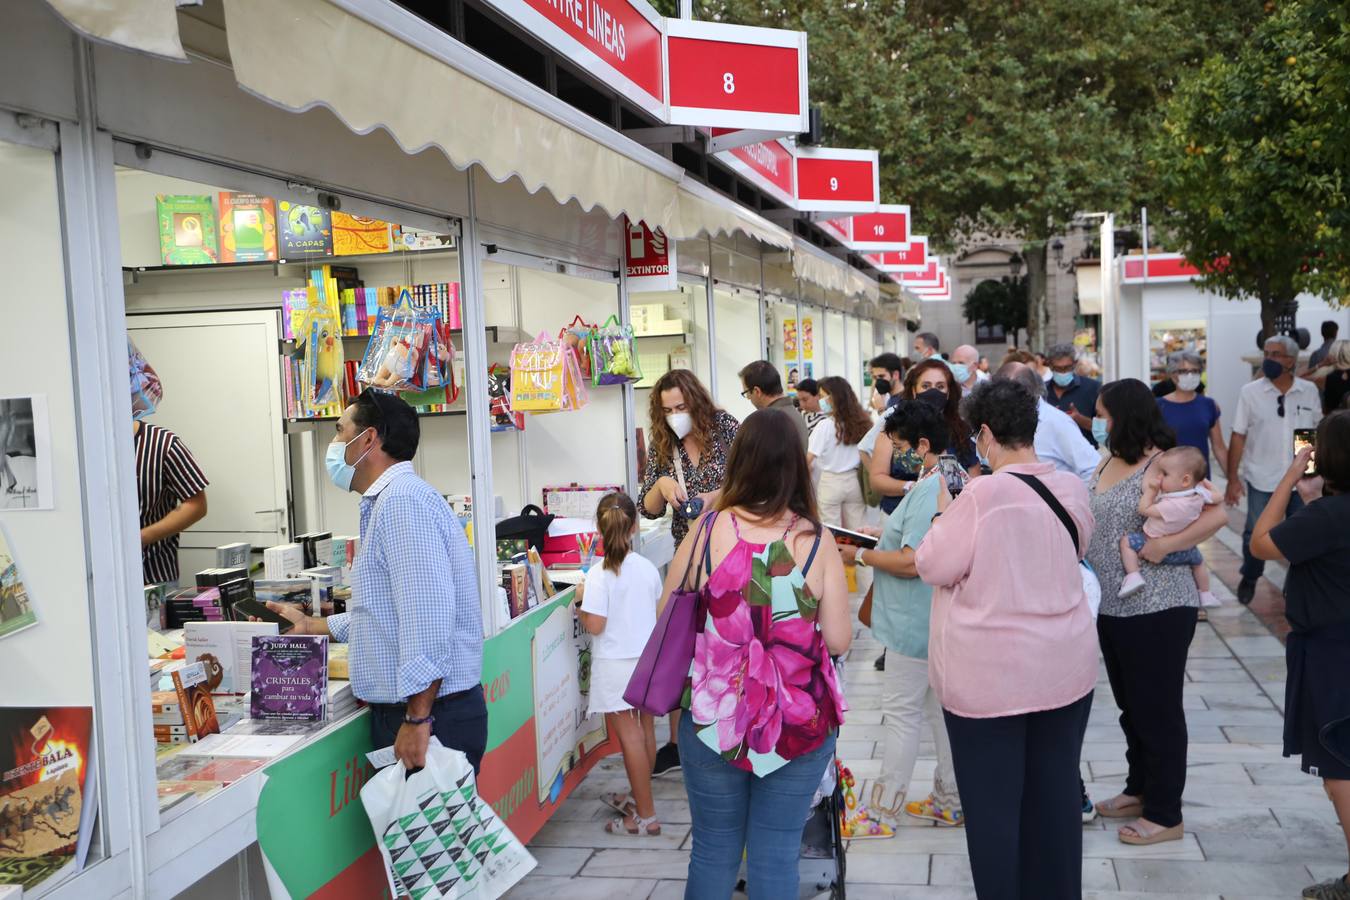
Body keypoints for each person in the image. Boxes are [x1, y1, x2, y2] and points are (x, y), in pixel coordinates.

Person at [915, 379, 1097, 899]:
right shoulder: (1070, 487)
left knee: (995, 813)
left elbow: (932, 563)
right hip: (1064, 669)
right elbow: (1077, 543)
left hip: (989, 681)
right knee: (1055, 800)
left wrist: (942, 516)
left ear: (987, 434)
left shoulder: (983, 495)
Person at [667, 408, 850, 899]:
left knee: (712, 848)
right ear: (796, 464)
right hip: (796, 722)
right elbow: (838, 640)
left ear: (738, 461)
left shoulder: (706, 531)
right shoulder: (816, 540)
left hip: (711, 718)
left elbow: (667, 613)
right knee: (775, 854)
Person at [268, 390, 486, 770]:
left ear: (368, 438)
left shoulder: (402, 502)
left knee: (429, 831)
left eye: (340, 432)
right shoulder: (390, 500)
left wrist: (418, 719)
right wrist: (311, 625)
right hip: (427, 712)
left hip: (431, 717)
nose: (334, 445)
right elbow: (388, 612)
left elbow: (427, 620)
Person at [1087, 379, 1227, 845]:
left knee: (1158, 709)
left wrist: (1165, 544)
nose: (1098, 420)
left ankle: (1166, 813)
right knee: (1132, 706)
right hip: (1113, 603)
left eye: (1105, 414)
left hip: (1160, 604)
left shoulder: (1167, 461)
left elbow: (1217, 514)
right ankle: (1140, 788)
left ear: (1124, 416)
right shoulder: (1108, 458)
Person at [1248, 410, 1350, 900]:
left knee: (1340, 770)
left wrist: (1289, 480)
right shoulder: (1327, 513)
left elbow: (1261, 542)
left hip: (1334, 654)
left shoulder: (1329, 516)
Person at [851, 401, 963, 829]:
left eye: (899, 446)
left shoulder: (929, 487)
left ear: (921, 444)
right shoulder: (950, 476)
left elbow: (911, 561)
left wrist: (861, 554)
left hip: (913, 623)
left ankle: (882, 811)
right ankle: (951, 798)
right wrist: (883, 536)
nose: (895, 455)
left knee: (901, 716)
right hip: (937, 620)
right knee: (939, 713)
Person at [640, 369, 739, 775]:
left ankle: (730, 726)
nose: (675, 416)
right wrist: (661, 485)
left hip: (732, 552)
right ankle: (680, 744)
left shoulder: (727, 429)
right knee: (685, 648)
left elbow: (754, 483)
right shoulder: (664, 444)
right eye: (667, 410)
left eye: (681, 407)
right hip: (688, 559)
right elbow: (647, 507)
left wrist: (717, 496)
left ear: (696, 401)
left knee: (728, 646)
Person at [575, 493, 663, 836]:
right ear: (635, 526)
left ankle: (645, 815)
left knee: (630, 739)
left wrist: (580, 605)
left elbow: (595, 625)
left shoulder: (598, 575)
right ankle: (643, 799)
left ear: (598, 528)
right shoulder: (645, 567)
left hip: (616, 665)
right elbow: (654, 612)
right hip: (647, 662)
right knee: (644, 733)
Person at [1226, 335, 1322, 605]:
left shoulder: (1308, 391)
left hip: (1300, 481)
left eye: (1276, 354)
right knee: (1254, 533)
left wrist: (1310, 474)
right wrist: (1232, 478)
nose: (1269, 359)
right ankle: (1251, 574)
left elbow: (1310, 434)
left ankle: (1297, 584)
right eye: (1266, 353)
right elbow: (1238, 435)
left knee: (1302, 536)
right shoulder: (1250, 392)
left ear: (1291, 360)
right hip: (1261, 476)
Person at [1117, 445, 1219, 608]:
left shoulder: (1172, 504)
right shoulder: (1199, 495)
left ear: (1185, 480)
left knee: (1126, 542)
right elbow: (1218, 497)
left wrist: (1151, 490)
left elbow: (1144, 509)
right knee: (1199, 563)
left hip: (1152, 545)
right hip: (1185, 550)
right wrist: (1203, 483)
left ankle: (1133, 575)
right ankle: (1206, 593)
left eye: (1164, 474)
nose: (1159, 476)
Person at [998, 361, 1102, 481]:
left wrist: (1072, 497)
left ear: (1027, 392)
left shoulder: (1057, 422)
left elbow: (1093, 469)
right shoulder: (1003, 419)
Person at [135, 419, 209, 585]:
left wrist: (141, 537)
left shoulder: (163, 443)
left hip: (154, 574)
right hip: (95, 575)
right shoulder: (85, 443)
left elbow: (196, 505)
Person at [808, 377, 871, 529]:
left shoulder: (824, 426)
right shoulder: (862, 423)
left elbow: (808, 459)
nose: (820, 400)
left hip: (830, 482)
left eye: (823, 396)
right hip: (855, 482)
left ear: (834, 398)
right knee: (859, 529)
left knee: (831, 531)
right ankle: (858, 552)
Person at [1157, 351, 1228, 479]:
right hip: (1167, 481)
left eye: (1195, 371)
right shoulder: (1158, 406)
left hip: (1200, 480)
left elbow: (1219, 447)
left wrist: (1232, 479)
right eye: (1183, 371)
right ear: (1173, 375)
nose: (1190, 375)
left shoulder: (1209, 405)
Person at [738, 360, 809, 450]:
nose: (748, 398)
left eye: (746, 392)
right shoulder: (794, 413)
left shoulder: (769, 421)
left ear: (757, 391)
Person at [1044, 341, 1101, 446]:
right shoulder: (1042, 391)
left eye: (1067, 367)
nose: (1063, 372)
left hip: (1085, 456)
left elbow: (1104, 430)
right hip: (1050, 456)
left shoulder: (1093, 388)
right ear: (1050, 366)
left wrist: (1079, 419)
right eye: (1058, 368)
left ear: (1075, 364)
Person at [1310, 340, 1350, 413]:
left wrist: (1321, 364)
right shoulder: (1328, 377)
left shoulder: (1327, 378)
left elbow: (1297, 378)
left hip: (1333, 422)